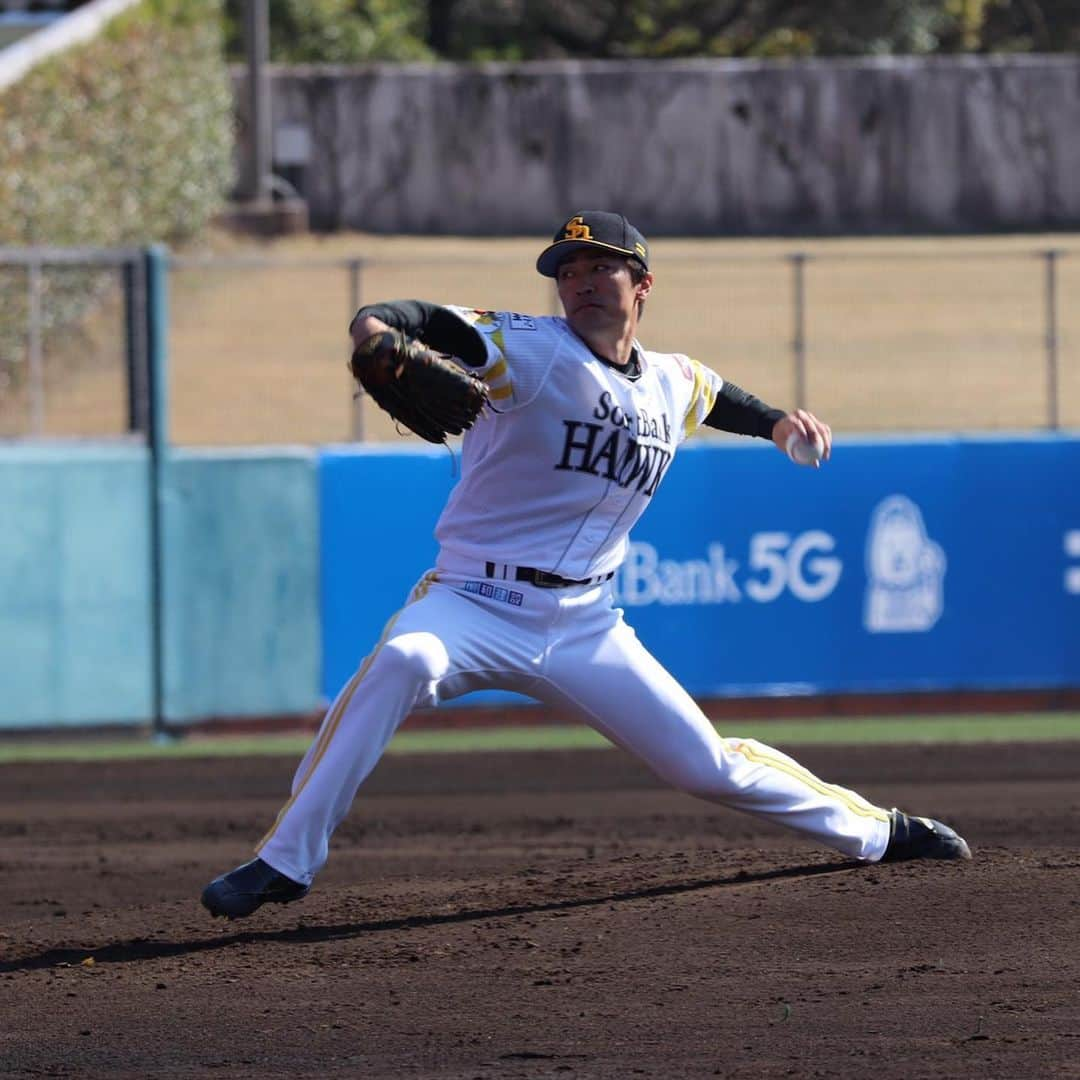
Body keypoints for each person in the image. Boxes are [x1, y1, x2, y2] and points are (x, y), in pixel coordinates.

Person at [201, 211, 970, 919]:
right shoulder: (528, 351)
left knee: (707, 767)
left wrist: (775, 424)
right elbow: (424, 321)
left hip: (585, 624)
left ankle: (880, 830)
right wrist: (372, 328)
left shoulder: (673, 379)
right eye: (567, 271)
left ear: (642, 284)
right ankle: (284, 861)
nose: (579, 283)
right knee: (401, 658)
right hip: (470, 600)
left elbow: (716, 396)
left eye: (599, 267)